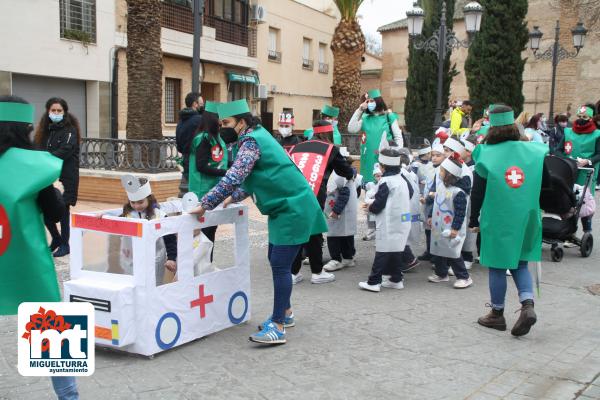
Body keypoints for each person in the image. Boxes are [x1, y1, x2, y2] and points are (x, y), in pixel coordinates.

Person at [189, 99, 327, 345]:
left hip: (292, 207)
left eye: (227, 123)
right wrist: (232, 197)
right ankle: (285, 312)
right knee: (276, 260)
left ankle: (278, 326)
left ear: (241, 122)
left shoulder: (251, 140)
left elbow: (237, 174)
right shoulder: (254, 136)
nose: (223, 128)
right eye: (221, 123)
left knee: (281, 265)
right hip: (284, 207)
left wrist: (207, 202)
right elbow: (257, 176)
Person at [0, 95, 79, 399]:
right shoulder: (34, 167)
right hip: (29, 265)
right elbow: (56, 214)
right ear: (24, 130)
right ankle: (68, 396)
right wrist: (57, 193)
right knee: (53, 332)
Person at [470, 104, 549, 337]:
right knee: (521, 263)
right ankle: (527, 305)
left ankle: (496, 314)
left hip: (498, 218)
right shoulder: (535, 151)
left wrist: (473, 218)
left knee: (497, 265)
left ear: (491, 127)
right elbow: (547, 183)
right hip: (528, 216)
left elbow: (478, 192)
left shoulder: (485, 153)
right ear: (514, 125)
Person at [289, 121, 354, 282]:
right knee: (315, 233)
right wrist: (351, 173)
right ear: (329, 134)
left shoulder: (298, 147)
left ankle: (293, 273)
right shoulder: (329, 148)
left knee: (299, 232)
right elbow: (344, 169)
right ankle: (317, 273)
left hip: (294, 192)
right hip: (314, 195)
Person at [359, 147, 412, 292]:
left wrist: (370, 208)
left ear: (383, 167)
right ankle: (396, 279)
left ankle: (374, 282)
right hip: (402, 221)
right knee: (396, 251)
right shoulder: (401, 178)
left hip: (389, 222)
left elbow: (380, 203)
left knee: (382, 252)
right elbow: (410, 193)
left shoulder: (386, 181)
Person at [34, 97, 81, 258]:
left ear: (64, 112)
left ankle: (65, 244)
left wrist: (45, 159)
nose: (56, 113)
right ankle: (56, 238)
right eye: (53, 110)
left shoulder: (70, 131)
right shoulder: (44, 131)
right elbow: (37, 149)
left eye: (59, 111)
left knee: (63, 210)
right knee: (45, 208)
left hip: (66, 177)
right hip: (47, 176)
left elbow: (66, 150)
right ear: (48, 112)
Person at [117, 177, 178, 285]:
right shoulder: (127, 215)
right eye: (133, 203)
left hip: (155, 259)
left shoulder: (160, 215)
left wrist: (171, 258)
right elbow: (115, 225)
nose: (136, 206)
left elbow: (170, 238)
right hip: (132, 259)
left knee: (153, 284)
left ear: (148, 199)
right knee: (132, 284)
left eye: (140, 202)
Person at [427, 154, 473, 289]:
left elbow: (460, 213)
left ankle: (464, 277)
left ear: (450, 175)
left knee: (452, 252)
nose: (439, 173)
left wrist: (455, 228)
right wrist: (430, 216)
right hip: (438, 226)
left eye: (442, 171)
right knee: (438, 250)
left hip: (451, 229)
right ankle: (441, 273)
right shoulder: (441, 187)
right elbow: (436, 203)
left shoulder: (458, 192)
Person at [188, 101, 227, 251]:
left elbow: (219, 161)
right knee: (202, 235)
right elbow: (202, 166)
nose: (222, 122)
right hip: (202, 192)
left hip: (213, 190)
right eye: (221, 118)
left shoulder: (215, 136)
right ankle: (199, 269)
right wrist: (225, 172)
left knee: (210, 233)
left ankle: (206, 266)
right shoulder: (203, 139)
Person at [347, 89, 404, 183]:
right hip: (367, 159)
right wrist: (360, 109)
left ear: (378, 101)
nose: (369, 103)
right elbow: (351, 128)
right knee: (368, 186)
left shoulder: (389, 116)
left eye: (372, 101)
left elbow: (398, 137)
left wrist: (397, 155)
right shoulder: (365, 117)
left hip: (385, 159)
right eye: (367, 101)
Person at [561, 105, 600, 232]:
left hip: (586, 172)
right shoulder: (567, 131)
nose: (581, 119)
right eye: (579, 117)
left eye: (584, 117)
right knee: (569, 201)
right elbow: (558, 150)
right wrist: (565, 160)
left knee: (584, 202)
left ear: (590, 118)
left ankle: (587, 232)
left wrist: (587, 161)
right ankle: (568, 231)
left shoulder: (597, 134)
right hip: (569, 171)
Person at [322, 169, 358, 272]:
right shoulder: (340, 172)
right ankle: (348, 257)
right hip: (338, 210)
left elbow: (344, 193)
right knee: (344, 234)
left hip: (338, 210)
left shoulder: (339, 174)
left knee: (334, 235)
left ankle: (336, 259)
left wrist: (336, 211)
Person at [418, 143, 446, 262]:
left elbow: (438, 188)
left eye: (438, 155)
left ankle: (437, 254)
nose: (434, 158)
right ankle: (429, 251)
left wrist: (428, 198)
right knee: (428, 228)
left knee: (436, 229)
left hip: (437, 202)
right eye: (433, 155)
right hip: (428, 201)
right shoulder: (430, 166)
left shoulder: (443, 170)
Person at [176, 92, 204, 194]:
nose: (203, 105)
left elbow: (178, 145)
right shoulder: (199, 120)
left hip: (185, 161)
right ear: (195, 104)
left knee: (184, 193)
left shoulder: (181, 121)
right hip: (196, 163)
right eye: (201, 103)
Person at [362, 164, 382, 241]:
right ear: (374, 176)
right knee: (370, 216)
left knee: (378, 220)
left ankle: (375, 233)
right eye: (377, 176)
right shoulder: (370, 184)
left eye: (381, 176)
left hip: (378, 204)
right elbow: (365, 188)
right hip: (371, 204)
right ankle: (371, 229)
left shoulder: (383, 183)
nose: (379, 178)